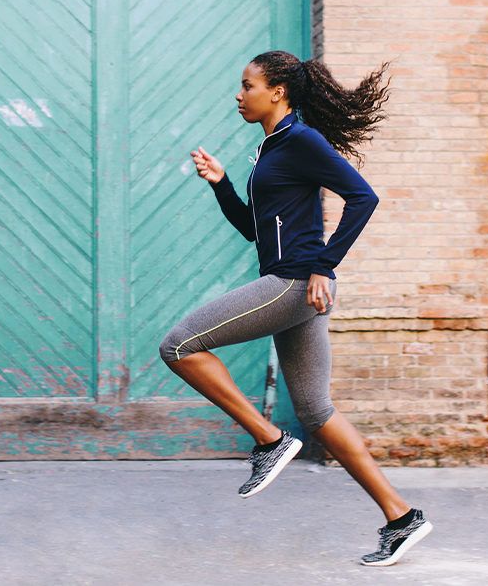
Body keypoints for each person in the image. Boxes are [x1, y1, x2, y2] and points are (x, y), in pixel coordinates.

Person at [158, 50, 432, 567]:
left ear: (277, 91)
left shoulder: (301, 140)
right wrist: (220, 184)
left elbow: (362, 197)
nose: (239, 95)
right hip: (290, 282)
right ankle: (402, 518)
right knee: (316, 411)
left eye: (247, 85)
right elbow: (255, 232)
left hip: (293, 286)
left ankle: (269, 439)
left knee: (178, 346)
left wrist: (324, 266)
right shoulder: (270, 149)